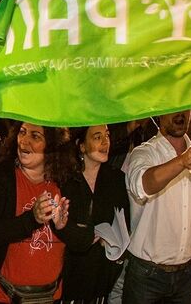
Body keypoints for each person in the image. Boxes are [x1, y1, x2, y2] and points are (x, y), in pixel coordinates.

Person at [0, 121, 76, 303]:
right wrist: (32, 218)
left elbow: (83, 239)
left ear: (52, 144)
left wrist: (64, 227)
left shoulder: (66, 183)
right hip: (2, 296)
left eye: (35, 136)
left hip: (50, 296)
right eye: (22, 132)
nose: (24, 141)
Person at [123, 109, 191, 303]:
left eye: (185, 108)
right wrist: (182, 161)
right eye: (173, 109)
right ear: (159, 114)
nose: (180, 114)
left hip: (186, 274)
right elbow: (141, 185)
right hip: (146, 275)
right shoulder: (144, 152)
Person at [59, 125, 130, 303]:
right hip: (69, 271)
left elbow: (124, 221)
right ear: (81, 146)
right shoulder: (66, 179)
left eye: (107, 135)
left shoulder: (117, 179)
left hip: (102, 271)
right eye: (97, 137)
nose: (106, 142)